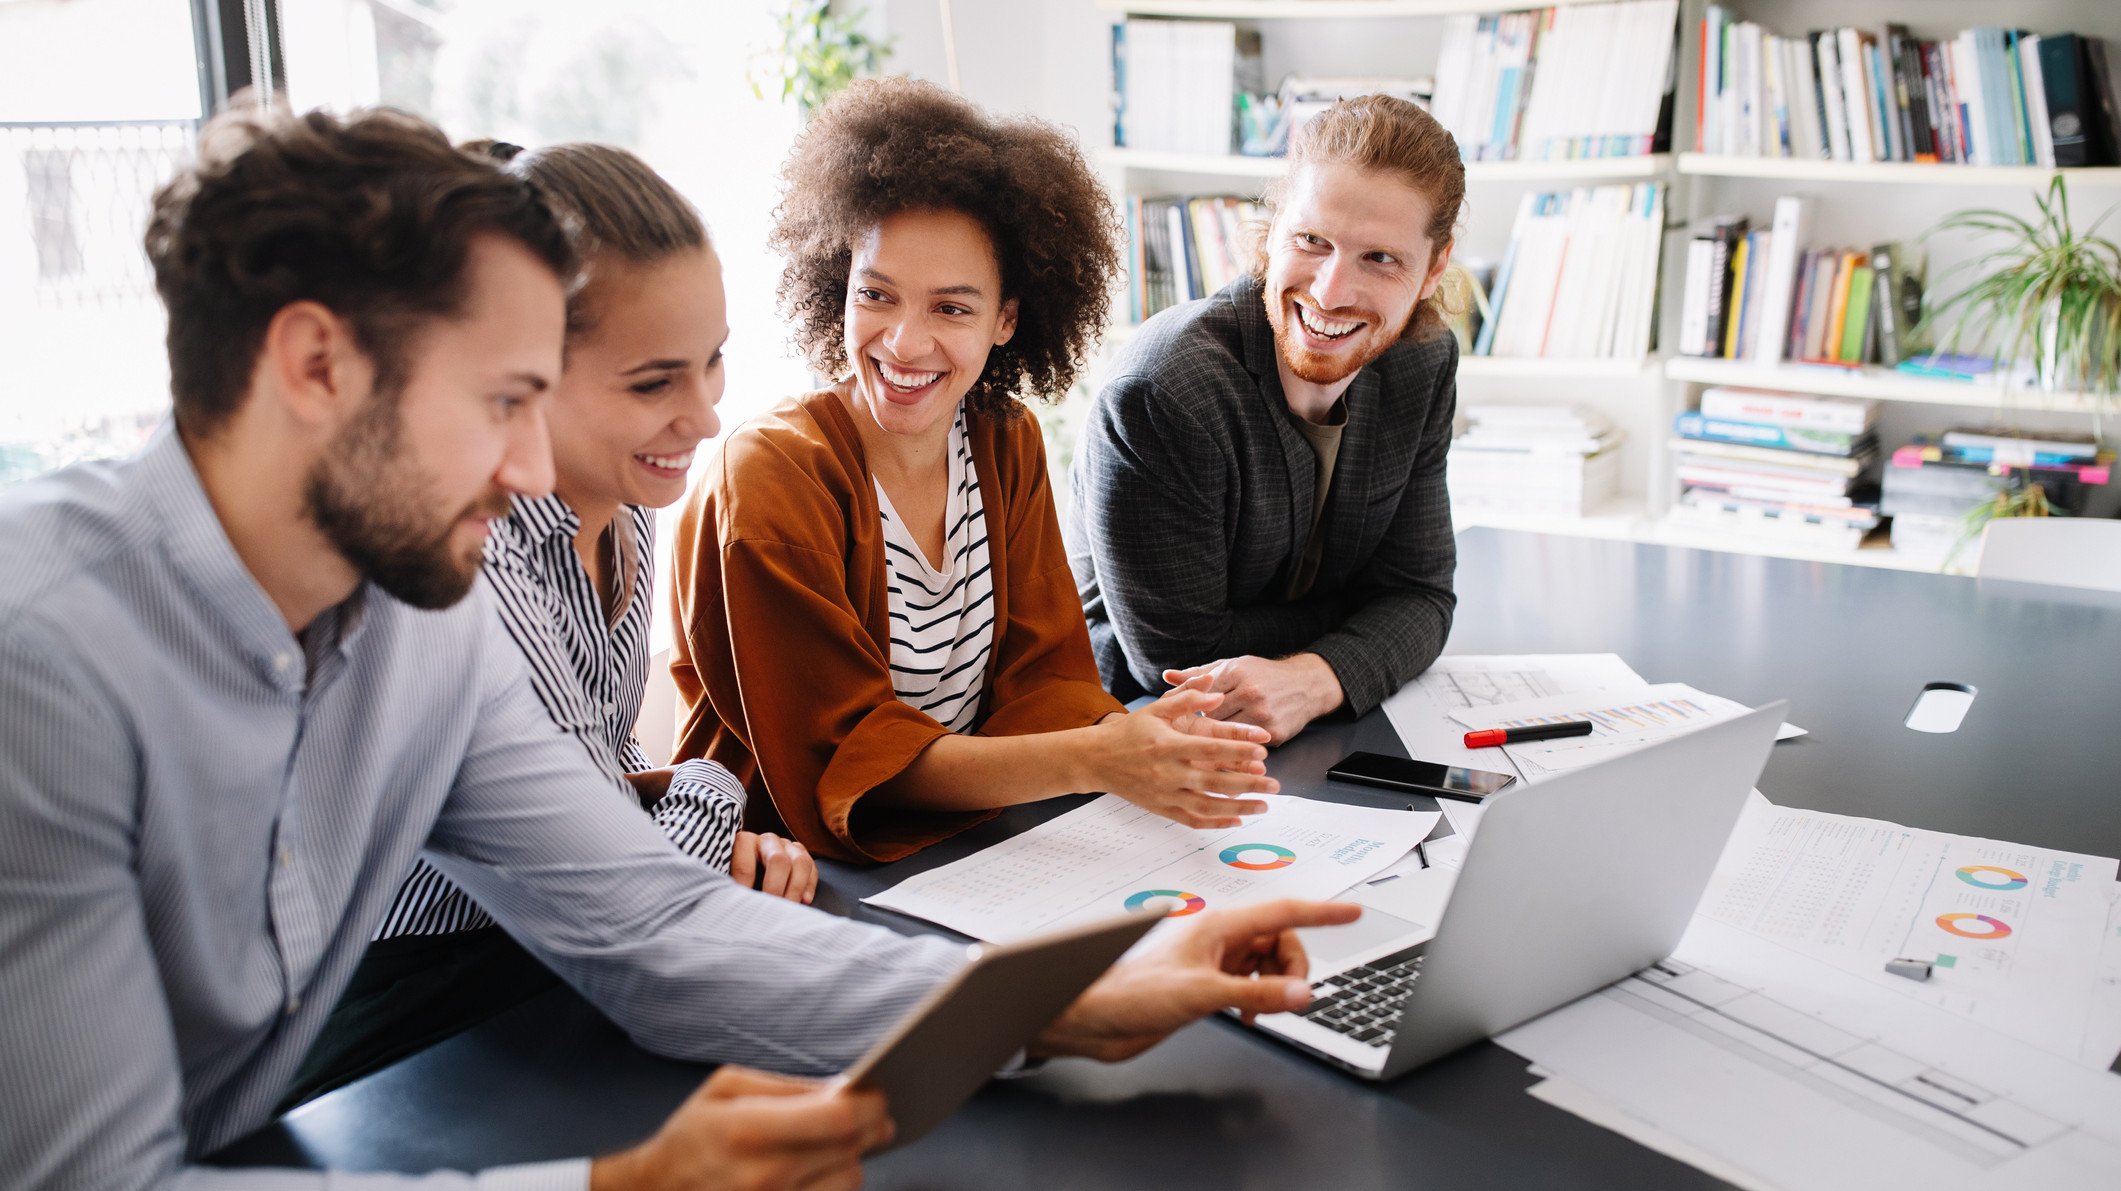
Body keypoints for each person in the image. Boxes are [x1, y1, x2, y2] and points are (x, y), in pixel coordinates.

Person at [0, 106, 1359, 1191]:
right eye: (501, 401)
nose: (539, 465)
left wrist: (1070, 1000)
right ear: (314, 367)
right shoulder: (45, 666)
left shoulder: (413, 625)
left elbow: (645, 920)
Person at [279, 141, 817, 1111]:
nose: (702, 416)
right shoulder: (467, 564)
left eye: (713, 360)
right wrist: (704, 785)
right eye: (654, 383)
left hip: (519, 964)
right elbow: (627, 905)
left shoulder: (631, 502)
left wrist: (650, 811)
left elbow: (585, 789)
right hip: (369, 1021)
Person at [667, 78, 1280, 865]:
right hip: (787, 865)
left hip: (968, 845)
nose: (903, 342)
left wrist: (1135, 732)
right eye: (876, 295)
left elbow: (1043, 677)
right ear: (838, 289)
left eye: (951, 308)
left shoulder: (1002, 440)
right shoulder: (774, 476)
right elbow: (849, 762)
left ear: (1007, 318)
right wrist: (1101, 756)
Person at [1068, 95, 1463, 745]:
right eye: (1312, 241)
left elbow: (1421, 596)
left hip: (1311, 727)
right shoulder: (1164, 391)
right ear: (1274, 227)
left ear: (1433, 268)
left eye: (1379, 258)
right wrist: (1369, 622)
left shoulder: (1422, 364)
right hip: (1135, 736)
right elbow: (1176, 659)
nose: (1331, 292)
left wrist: (1317, 678)